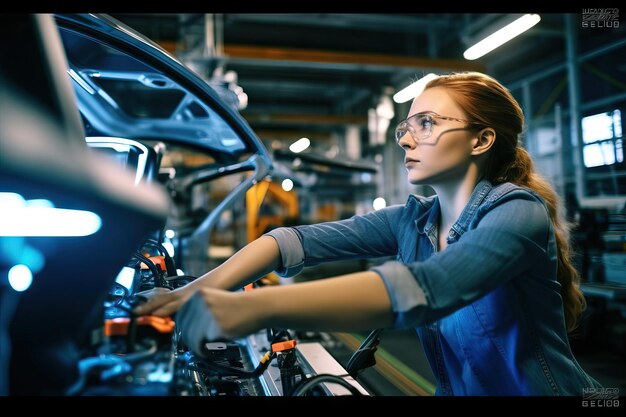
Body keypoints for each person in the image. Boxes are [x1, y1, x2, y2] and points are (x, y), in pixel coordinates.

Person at [135, 71, 602, 396]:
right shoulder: (413, 219)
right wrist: (188, 294)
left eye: (427, 124)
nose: (406, 139)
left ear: (481, 140)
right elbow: (290, 243)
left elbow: (433, 287)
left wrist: (254, 306)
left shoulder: (519, 212)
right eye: (407, 125)